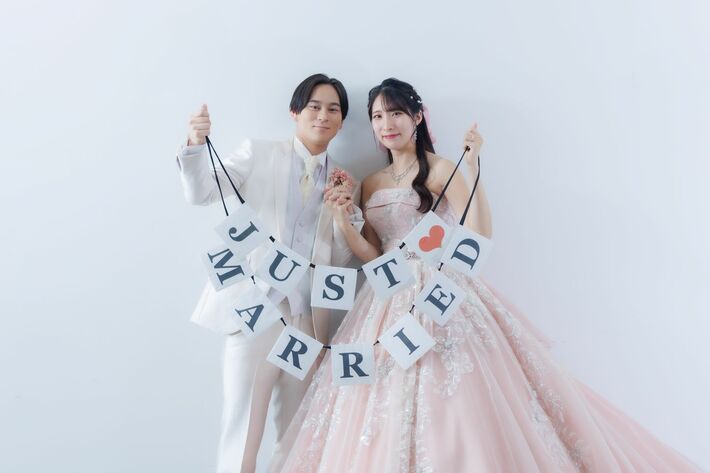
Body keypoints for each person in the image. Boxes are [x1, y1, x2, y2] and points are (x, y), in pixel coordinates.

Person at [269, 78, 701, 472]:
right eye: (378, 116)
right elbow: (372, 254)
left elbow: (478, 233)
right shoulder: (370, 182)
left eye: (396, 113)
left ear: (417, 117)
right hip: (385, 297)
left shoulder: (440, 169)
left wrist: (473, 170)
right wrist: (343, 219)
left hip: (439, 289)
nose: (387, 124)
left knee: (457, 392)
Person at [176, 73, 364, 473]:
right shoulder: (258, 153)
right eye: (314, 106)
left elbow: (343, 259)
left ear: (341, 122)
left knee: (296, 433)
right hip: (254, 312)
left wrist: (345, 216)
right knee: (242, 426)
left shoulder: (348, 181)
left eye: (333, 110)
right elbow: (202, 193)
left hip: (306, 321)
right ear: (295, 112)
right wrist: (195, 145)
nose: (323, 115)